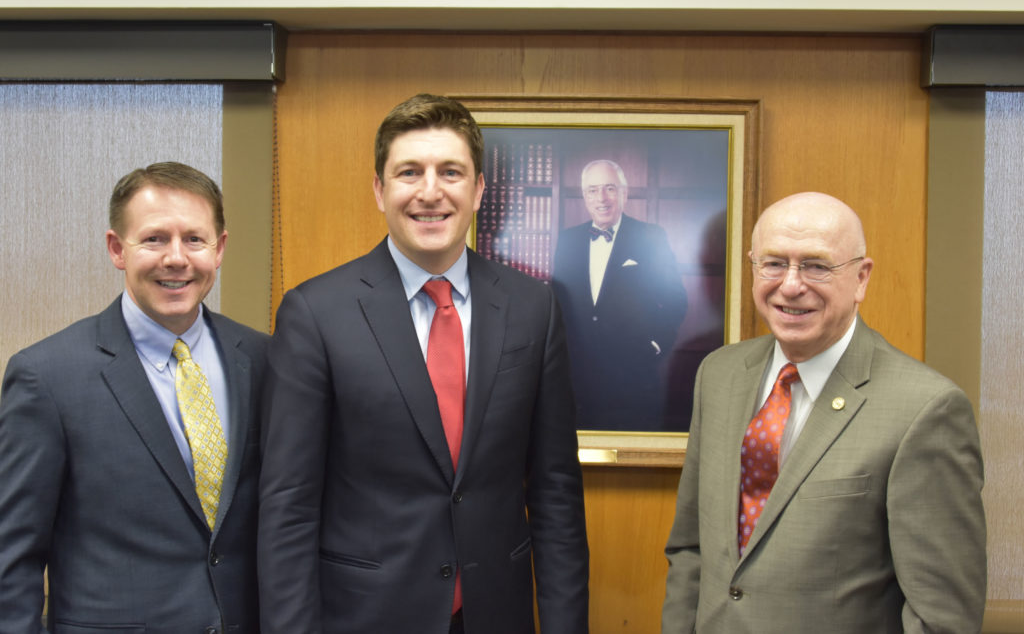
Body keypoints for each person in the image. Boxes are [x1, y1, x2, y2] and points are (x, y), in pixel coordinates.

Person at [258, 93, 589, 634]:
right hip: (364, 616)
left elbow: (555, 491)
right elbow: (288, 507)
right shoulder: (315, 313)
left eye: (451, 172)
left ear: (479, 189)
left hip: (496, 615)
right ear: (379, 189)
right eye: (409, 172)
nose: (430, 192)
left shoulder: (534, 308)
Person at [661, 192, 986, 633]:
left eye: (816, 265)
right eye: (773, 263)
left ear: (861, 278)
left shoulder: (926, 410)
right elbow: (690, 550)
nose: (791, 285)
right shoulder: (718, 376)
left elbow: (941, 617)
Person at [0, 162, 269, 633]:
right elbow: (12, 553)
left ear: (220, 248)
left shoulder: (265, 359)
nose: (176, 258)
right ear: (116, 249)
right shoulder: (47, 376)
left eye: (194, 239)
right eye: (154, 239)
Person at [551, 159, 687, 430]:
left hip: (633, 376)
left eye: (609, 188)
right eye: (592, 190)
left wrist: (656, 345)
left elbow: (676, 300)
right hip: (575, 378)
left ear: (624, 193)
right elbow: (557, 302)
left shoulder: (651, 237)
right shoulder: (567, 240)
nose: (601, 198)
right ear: (584, 196)